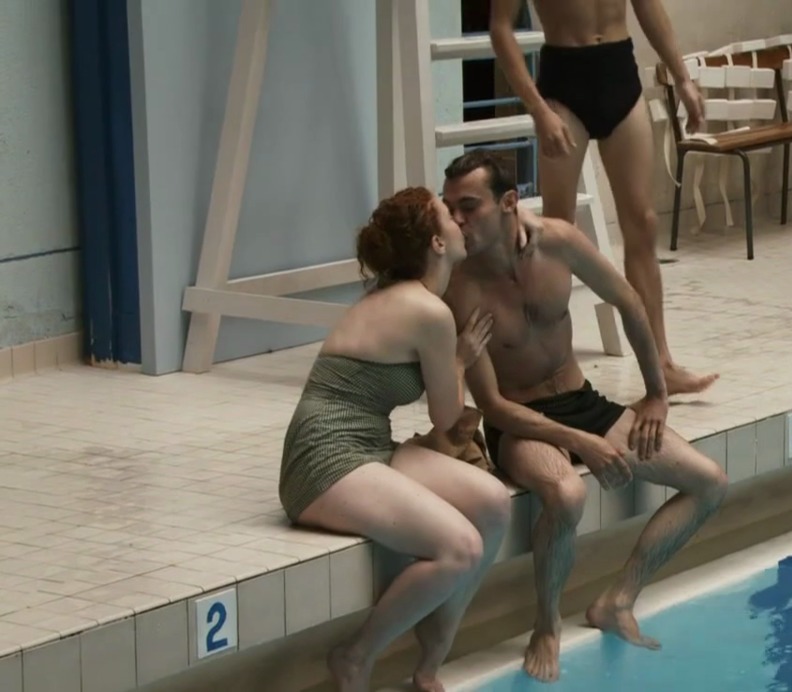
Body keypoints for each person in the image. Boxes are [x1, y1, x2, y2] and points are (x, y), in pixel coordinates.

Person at [441, 151, 729, 683]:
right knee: (567, 494)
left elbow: (629, 302)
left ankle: (618, 600)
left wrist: (656, 394)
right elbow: (493, 406)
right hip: (520, 420)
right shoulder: (459, 286)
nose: (456, 220)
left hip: (583, 402)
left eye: (469, 207)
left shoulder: (560, 242)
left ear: (508, 203)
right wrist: (582, 442)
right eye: (450, 208)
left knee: (709, 482)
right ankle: (546, 625)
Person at [277, 187, 514, 692]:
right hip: (324, 459)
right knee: (460, 548)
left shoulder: (403, 294)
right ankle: (355, 656)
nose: (459, 220)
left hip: (369, 445)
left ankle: (432, 654)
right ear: (437, 243)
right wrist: (459, 360)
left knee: (493, 503)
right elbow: (447, 419)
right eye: (448, 215)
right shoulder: (428, 312)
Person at [489, 0, 718, 396]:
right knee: (556, 233)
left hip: (619, 72)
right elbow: (500, 28)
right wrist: (538, 109)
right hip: (564, 83)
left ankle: (661, 363)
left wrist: (682, 76)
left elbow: (648, 7)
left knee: (642, 223)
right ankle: (551, 368)